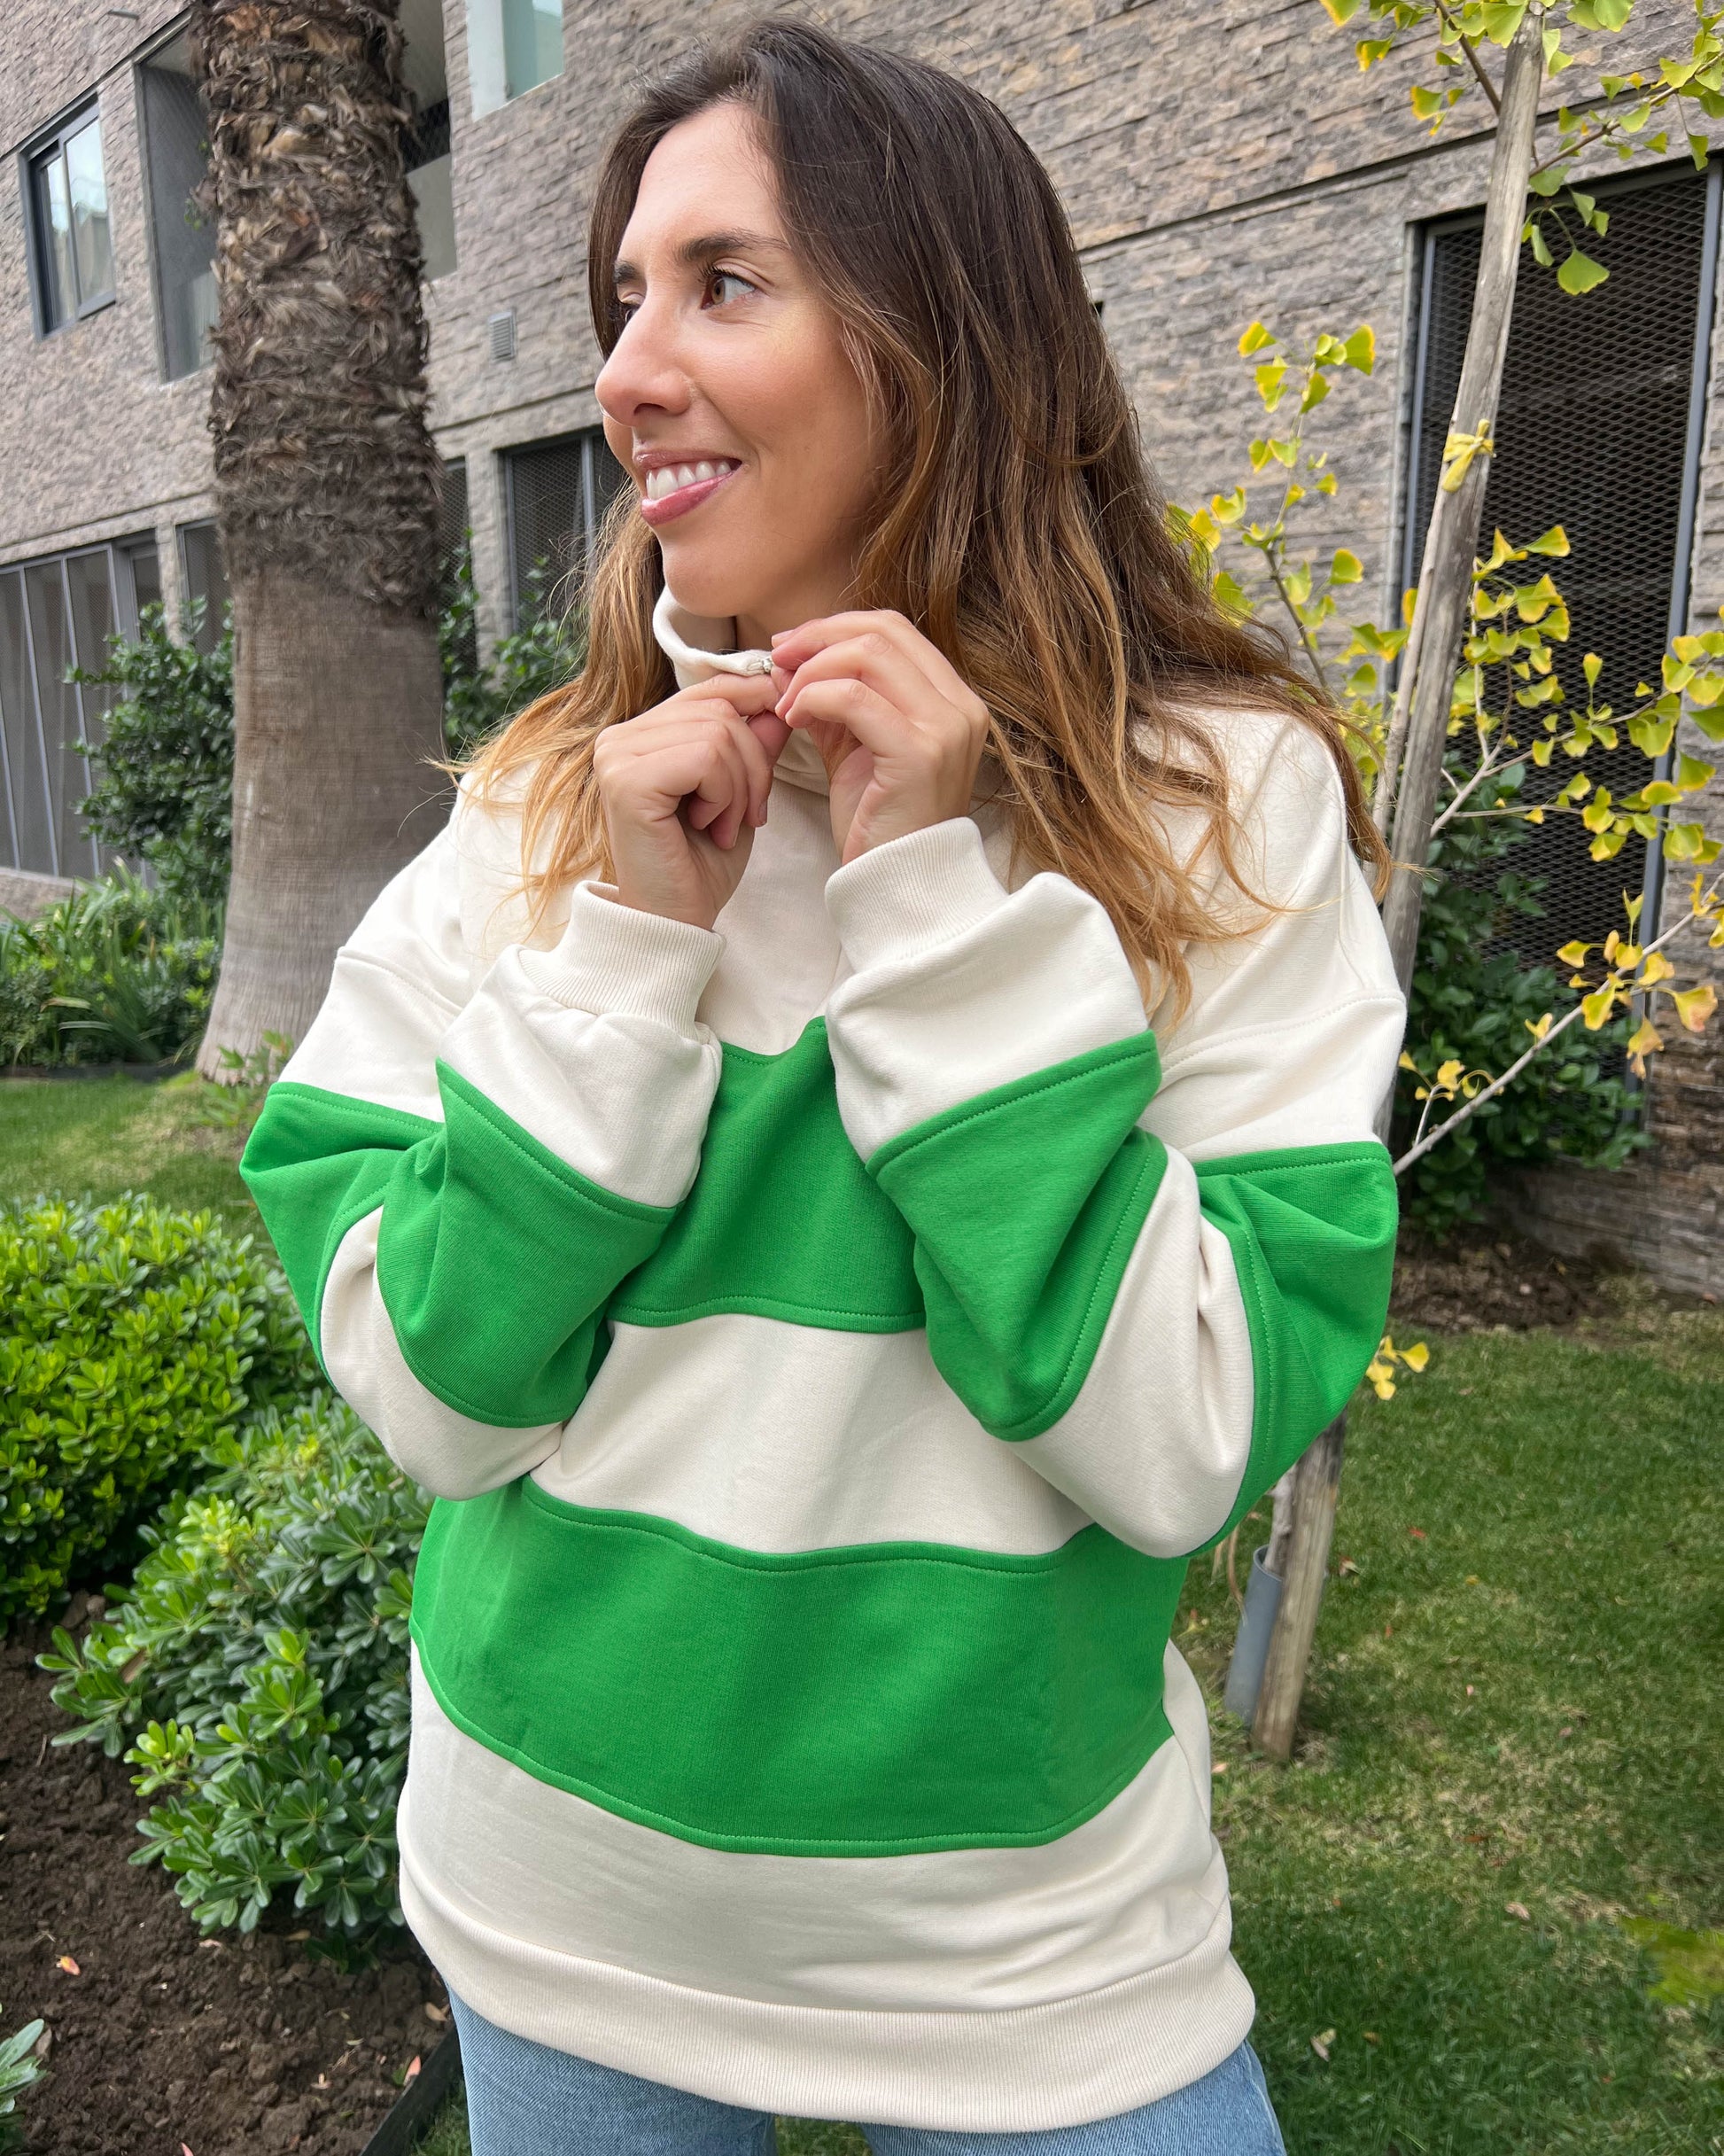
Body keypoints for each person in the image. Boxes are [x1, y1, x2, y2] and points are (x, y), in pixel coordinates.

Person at [240, 18, 1404, 2152]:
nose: (628, 371)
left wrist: (933, 905)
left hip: (1032, 1972)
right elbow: (441, 1396)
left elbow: (1183, 1439)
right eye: (625, 298)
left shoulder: (1216, 803)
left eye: (724, 284)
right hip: (560, 1924)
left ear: (944, 343)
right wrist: (632, 947)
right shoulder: (539, 811)